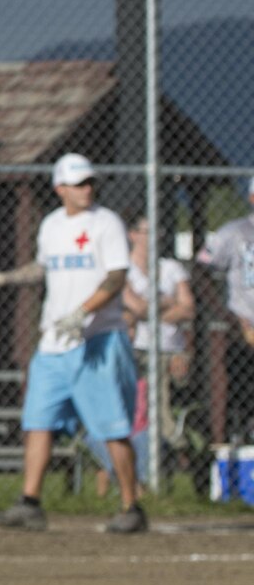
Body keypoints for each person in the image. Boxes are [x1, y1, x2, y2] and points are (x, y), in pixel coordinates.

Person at [0, 154, 143, 533]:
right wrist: (0, 279)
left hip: (96, 341)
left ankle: (132, 506)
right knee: (38, 422)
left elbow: (116, 277)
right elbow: (42, 268)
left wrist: (82, 313)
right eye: (79, 183)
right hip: (52, 342)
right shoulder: (50, 225)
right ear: (60, 188)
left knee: (112, 427)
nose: (87, 189)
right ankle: (30, 502)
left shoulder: (106, 222)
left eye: (90, 182)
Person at [116, 211, 193, 494]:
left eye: (157, 232)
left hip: (170, 350)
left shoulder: (171, 267)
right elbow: (131, 309)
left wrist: (145, 310)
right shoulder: (122, 267)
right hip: (136, 351)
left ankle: (173, 446)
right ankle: (173, 446)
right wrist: (165, 302)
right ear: (132, 235)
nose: (153, 238)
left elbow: (188, 308)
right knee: (141, 410)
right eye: (146, 231)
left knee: (161, 401)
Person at [198, 175, 254, 443]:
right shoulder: (235, 232)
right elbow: (200, 268)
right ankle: (229, 446)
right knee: (240, 394)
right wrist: (226, 315)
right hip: (244, 327)